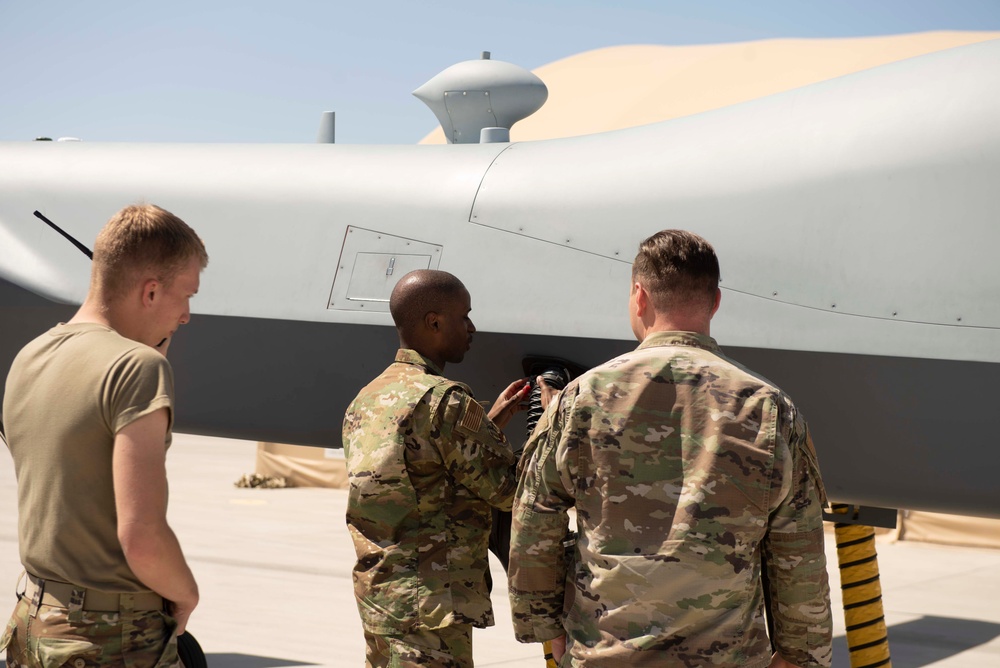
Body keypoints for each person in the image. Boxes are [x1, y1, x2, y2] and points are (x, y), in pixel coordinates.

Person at [508, 230, 833, 668]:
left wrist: (545, 627)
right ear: (716, 301)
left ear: (639, 297)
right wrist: (799, 654)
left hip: (605, 655)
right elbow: (799, 545)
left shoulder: (581, 399)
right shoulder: (769, 408)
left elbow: (534, 515)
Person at [1, 204, 208, 667]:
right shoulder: (138, 369)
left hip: (34, 625)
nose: (188, 314)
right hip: (108, 640)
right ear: (151, 291)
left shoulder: (30, 357)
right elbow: (141, 537)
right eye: (186, 295)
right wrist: (186, 593)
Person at [343, 269, 530, 668]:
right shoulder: (446, 401)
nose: (471, 327)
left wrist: (488, 424)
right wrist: (552, 422)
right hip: (430, 606)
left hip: (386, 598)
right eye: (464, 316)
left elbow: (418, 470)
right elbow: (511, 491)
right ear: (434, 322)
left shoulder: (369, 398)